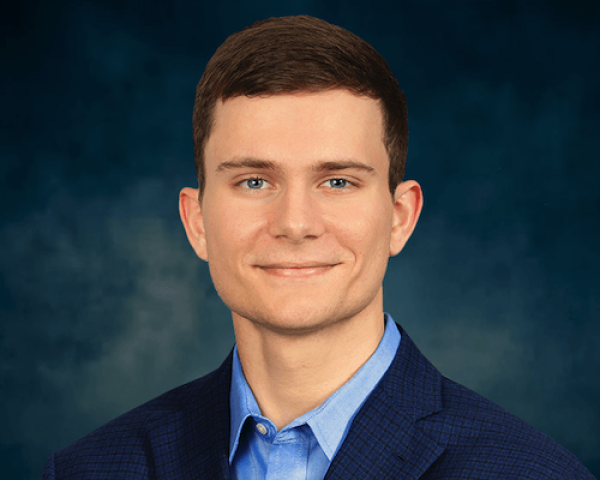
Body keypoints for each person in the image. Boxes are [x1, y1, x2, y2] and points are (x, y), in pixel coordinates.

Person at [41, 15, 595, 480]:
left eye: (337, 181)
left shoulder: (532, 473)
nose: (295, 224)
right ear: (197, 221)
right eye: (254, 181)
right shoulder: (88, 470)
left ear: (400, 217)